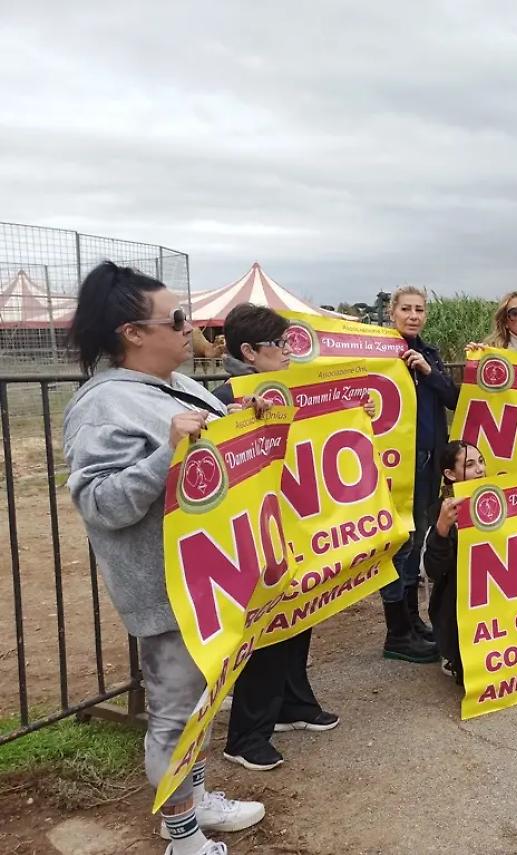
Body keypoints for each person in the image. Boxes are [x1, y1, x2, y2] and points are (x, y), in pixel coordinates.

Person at [63, 262, 264, 855]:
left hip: (216, 581)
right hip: (170, 592)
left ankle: (195, 800)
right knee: (175, 715)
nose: (190, 328)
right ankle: (182, 837)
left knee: (200, 705)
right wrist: (167, 455)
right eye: (177, 319)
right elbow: (100, 503)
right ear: (132, 332)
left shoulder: (182, 385)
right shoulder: (105, 407)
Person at [211, 304, 340, 773]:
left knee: (299, 613)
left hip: (296, 523)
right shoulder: (227, 396)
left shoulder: (286, 387)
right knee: (266, 627)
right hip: (259, 530)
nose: (288, 353)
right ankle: (246, 735)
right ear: (248, 352)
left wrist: (354, 417)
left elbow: (319, 429)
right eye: (278, 345)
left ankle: (293, 704)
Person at [383, 285, 460, 663]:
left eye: (420, 310)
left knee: (418, 538)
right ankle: (396, 631)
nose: (413, 316)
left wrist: (429, 372)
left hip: (429, 460)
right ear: (392, 312)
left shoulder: (428, 354)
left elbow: (453, 398)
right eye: (406, 309)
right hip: (396, 464)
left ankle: (412, 621)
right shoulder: (378, 354)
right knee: (399, 542)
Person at [423, 440, 487, 683]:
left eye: (481, 461)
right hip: (457, 604)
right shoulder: (441, 510)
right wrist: (442, 529)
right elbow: (433, 570)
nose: (480, 469)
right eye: (470, 465)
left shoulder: (495, 496)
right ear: (450, 474)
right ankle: (452, 651)